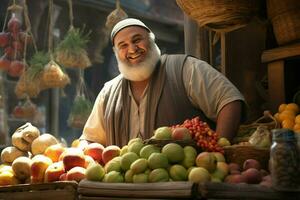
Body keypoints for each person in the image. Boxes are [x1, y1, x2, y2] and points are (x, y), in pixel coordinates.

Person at [79, 18, 247, 147]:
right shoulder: (108, 92)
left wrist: (219, 151)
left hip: (187, 184)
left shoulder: (185, 69)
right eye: (123, 45)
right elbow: (90, 140)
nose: (132, 49)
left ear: (151, 40)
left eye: (137, 40)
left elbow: (229, 101)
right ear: (116, 53)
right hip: (124, 188)